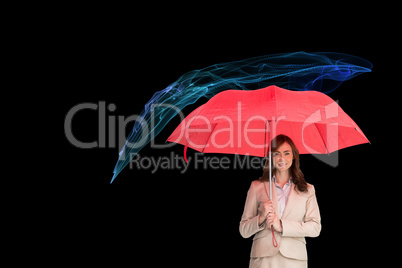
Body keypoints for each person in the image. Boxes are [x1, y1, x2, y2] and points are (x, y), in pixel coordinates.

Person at [239, 134, 321, 268]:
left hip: (294, 259)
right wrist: (261, 217)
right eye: (276, 153)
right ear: (270, 157)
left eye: (286, 153)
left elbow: (315, 228)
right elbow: (243, 230)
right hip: (263, 259)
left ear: (294, 156)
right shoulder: (256, 186)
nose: (282, 158)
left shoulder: (307, 189)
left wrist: (282, 226)